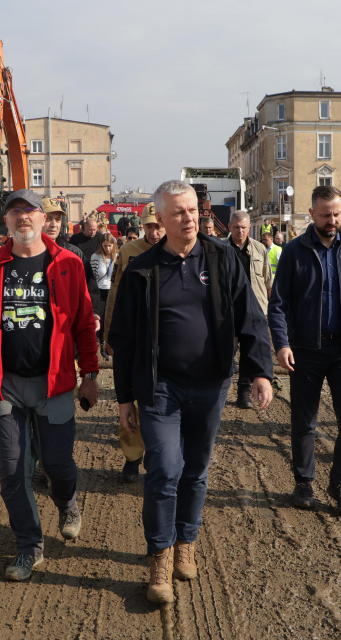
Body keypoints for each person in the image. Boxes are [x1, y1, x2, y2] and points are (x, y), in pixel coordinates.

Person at [110, 180, 273, 605]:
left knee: (196, 470)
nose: (188, 219)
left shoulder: (222, 259)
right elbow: (124, 339)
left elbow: (250, 317)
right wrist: (124, 397)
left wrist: (260, 371)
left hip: (211, 384)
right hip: (160, 388)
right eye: (178, 213)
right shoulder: (142, 270)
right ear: (160, 220)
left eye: (193, 211)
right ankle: (159, 558)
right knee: (164, 470)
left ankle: (187, 544)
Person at [0, 189, 99, 582]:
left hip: (54, 384)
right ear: (6, 222)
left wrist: (90, 375)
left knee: (57, 464)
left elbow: (85, 323)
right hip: (8, 386)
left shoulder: (67, 263)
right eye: (15, 211)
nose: (23, 217)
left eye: (30, 210)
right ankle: (28, 546)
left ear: (43, 218)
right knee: (13, 470)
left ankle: (67, 501)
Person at [268, 185, 341, 516]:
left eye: (337, 213)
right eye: (326, 214)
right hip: (306, 349)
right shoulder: (294, 252)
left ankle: (340, 482)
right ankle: (303, 482)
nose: (332, 220)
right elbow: (278, 304)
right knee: (304, 419)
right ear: (312, 213)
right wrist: (282, 343)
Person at [102, 203, 164, 483]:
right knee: (128, 398)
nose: (155, 231)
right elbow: (114, 294)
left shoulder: (177, 251)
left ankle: (159, 455)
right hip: (133, 338)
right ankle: (131, 457)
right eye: (150, 226)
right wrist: (108, 335)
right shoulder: (127, 253)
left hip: (163, 340)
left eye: (159, 225)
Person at [226, 210, 272, 409]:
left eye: (244, 227)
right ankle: (219, 389)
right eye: (236, 227)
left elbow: (268, 281)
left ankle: (243, 393)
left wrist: (269, 310)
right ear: (229, 227)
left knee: (249, 353)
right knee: (227, 350)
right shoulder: (221, 250)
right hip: (228, 311)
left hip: (254, 310)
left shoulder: (259, 249)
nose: (240, 231)